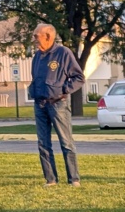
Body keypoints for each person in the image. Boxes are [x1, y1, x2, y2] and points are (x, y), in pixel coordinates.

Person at [29, 23, 84, 187]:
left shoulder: (63, 53)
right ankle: (51, 179)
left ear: (48, 36)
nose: (34, 39)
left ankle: (73, 179)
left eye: (36, 36)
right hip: (40, 104)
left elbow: (79, 78)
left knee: (66, 142)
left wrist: (64, 90)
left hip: (58, 104)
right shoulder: (37, 56)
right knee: (43, 143)